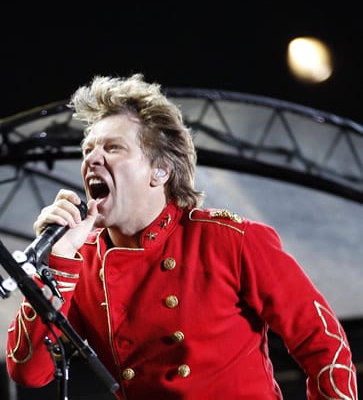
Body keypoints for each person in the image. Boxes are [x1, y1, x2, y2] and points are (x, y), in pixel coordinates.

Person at [6, 73, 357, 399]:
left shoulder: (230, 239)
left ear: (160, 171)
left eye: (113, 148)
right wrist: (58, 264)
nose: (92, 159)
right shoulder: (79, 263)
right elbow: (28, 372)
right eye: (88, 150)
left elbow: (324, 343)